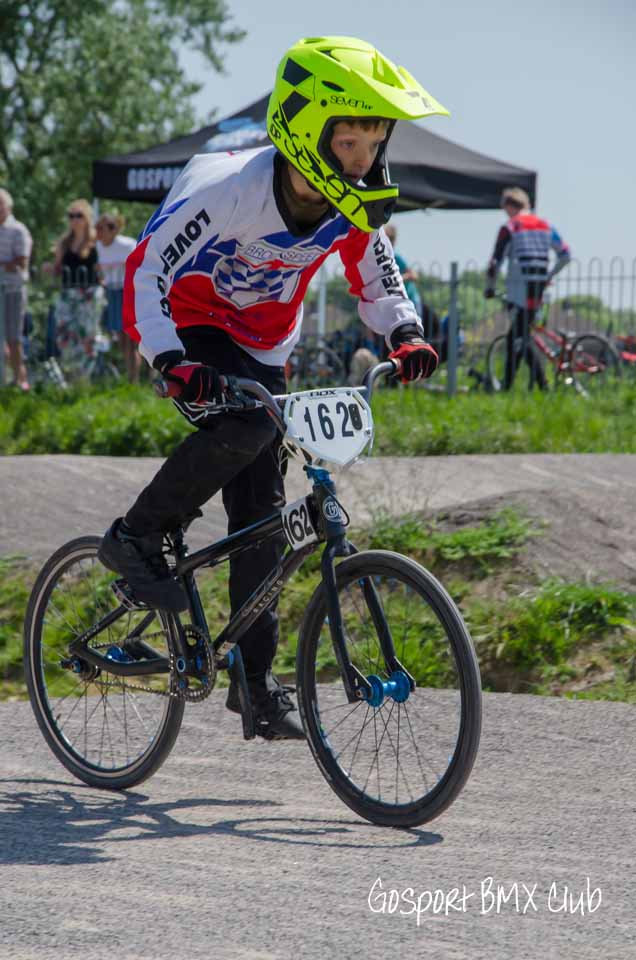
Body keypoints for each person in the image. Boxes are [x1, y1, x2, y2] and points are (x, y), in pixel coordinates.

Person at [98, 35, 445, 740]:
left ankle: (254, 684)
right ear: (306, 131)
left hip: (262, 345)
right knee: (247, 428)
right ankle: (136, 536)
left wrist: (404, 332)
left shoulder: (352, 206)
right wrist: (168, 358)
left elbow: (377, 275)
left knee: (261, 513)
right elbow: (147, 268)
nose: (362, 160)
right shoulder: (229, 188)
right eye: (347, 142)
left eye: (373, 142)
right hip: (191, 326)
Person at [484, 187, 571, 390]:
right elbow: (565, 255)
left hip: (518, 289)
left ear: (509, 206)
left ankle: (528, 386)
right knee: (520, 336)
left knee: (518, 337)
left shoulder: (510, 227)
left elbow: (494, 263)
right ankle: (528, 385)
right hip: (538, 290)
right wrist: (548, 276)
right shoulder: (546, 226)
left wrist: (489, 288)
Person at [96, 213, 140, 381]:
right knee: (121, 340)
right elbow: (97, 269)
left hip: (128, 292)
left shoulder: (128, 245)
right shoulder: (97, 247)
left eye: (110, 227)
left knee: (131, 340)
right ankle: (131, 378)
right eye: (100, 227)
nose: (104, 231)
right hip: (111, 294)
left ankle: (134, 380)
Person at [0, 188, 32, 390]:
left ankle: (20, 381)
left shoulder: (18, 230)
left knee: (14, 337)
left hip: (12, 290)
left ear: (8, 207)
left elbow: (21, 262)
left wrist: (4, 265)